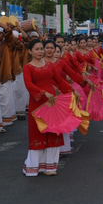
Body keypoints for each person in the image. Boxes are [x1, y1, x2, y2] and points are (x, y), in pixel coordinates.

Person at [22, 38, 76, 176]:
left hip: (52, 103)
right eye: (37, 49)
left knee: (52, 131)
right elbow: (29, 84)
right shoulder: (28, 67)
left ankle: (49, 167)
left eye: (42, 49)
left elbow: (60, 81)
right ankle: (34, 166)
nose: (40, 51)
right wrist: (43, 92)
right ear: (30, 51)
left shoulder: (49, 65)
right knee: (38, 132)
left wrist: (72, 91)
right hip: (37, 103)